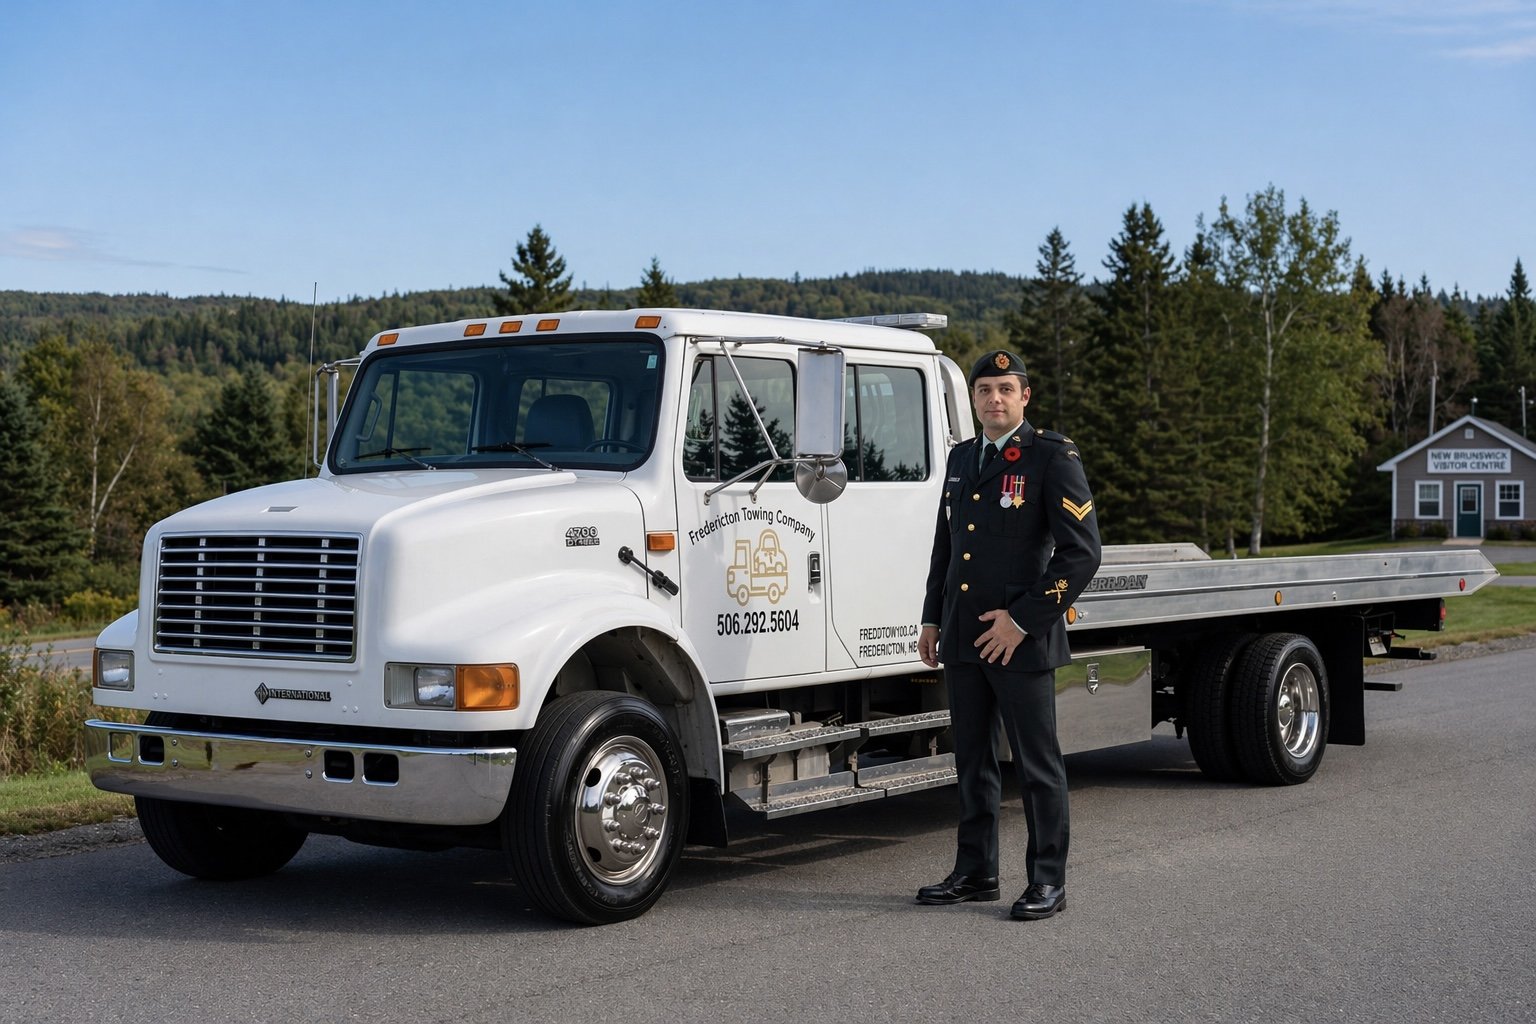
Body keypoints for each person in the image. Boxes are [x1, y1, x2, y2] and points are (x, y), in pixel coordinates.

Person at [915, 349, 1102, 920]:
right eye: (984, 390)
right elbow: (948, 547)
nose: (994, 399)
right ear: (972, 399)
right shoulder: (962, 457)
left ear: (1025, 396)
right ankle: (976, 872)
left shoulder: (1050, 456)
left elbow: (1081, 554)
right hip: (965, 638)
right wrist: (931, 617)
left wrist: (1021, 621)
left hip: (1020, 639)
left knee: (1037, 765)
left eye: (1005, 389)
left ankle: (1048, 881)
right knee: (971, 762)